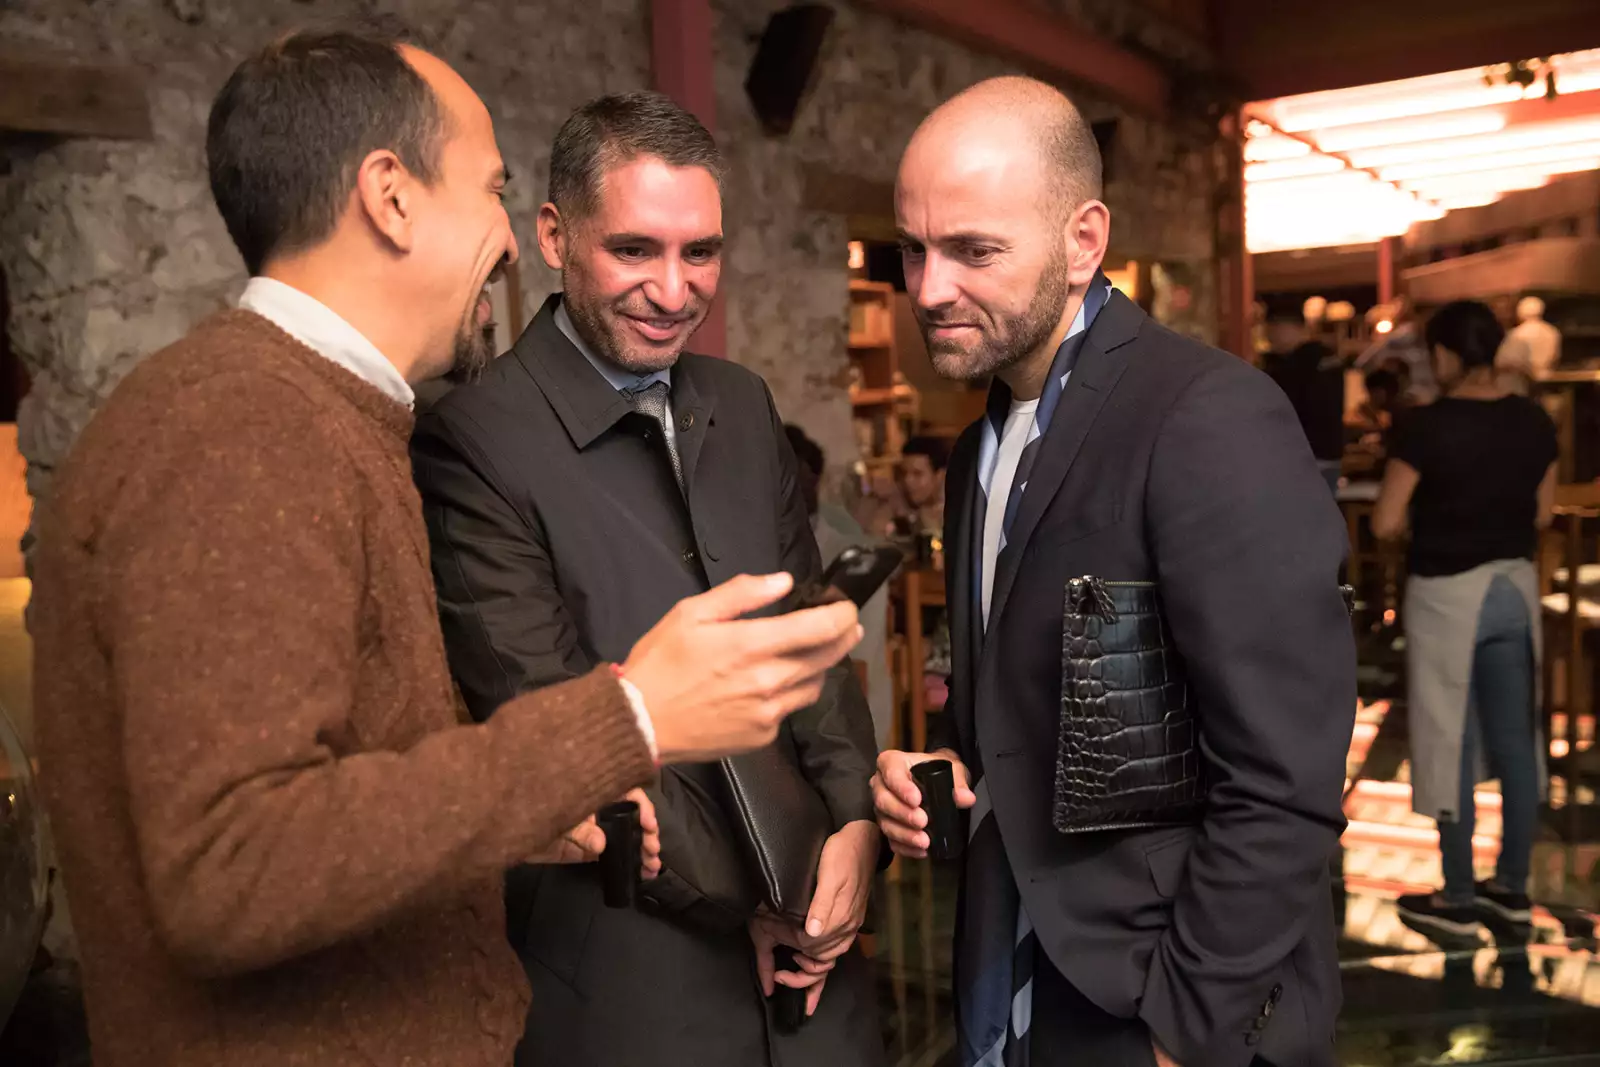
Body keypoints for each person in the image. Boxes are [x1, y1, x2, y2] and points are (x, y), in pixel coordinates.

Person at [30, 29, 862, 1067]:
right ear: (391, 197)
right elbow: (230, 863)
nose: (510, 242)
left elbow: (342, 780)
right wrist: (626, 719)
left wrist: (522, 811)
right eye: (489, 187)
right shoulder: (240, 428)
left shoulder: (309, 414)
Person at [870, 77, 1356, 1067]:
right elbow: (1026, 712)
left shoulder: (1207, 415)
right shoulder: (979, 445)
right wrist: (940, 778)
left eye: (973, 250)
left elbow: (1284, 774)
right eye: (912, 250)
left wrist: (1181, 1029)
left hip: (1159, 1003)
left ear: (1083, 240)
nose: (927, 288)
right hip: (1013, 983)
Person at [411, 92, 884, 1067]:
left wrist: (853, 823)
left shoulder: (743, 403)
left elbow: (812, 634)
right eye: (634, 249)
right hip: (636, 971)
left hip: (816, 965)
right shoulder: (473, 438)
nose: (673, 290)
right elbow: (557, 719)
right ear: (553, 233)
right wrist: (762, 897)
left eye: (699, 252)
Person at [1373, 300, 1558, 937]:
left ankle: (1455, 895)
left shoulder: (1427, 428)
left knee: (1446, 731)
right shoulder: (1535, 421)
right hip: (1514, 587)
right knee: (1516, 740)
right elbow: (1540, 514)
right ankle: (1510, 887)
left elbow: (1386, 519)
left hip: (1448, 592)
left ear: (1447, 354)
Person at [787, 423, 894, 747]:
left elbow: (860, 658)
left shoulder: (849, 547)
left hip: (847, 694)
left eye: (797, 473)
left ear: (814, 477)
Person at [1261, 306, 1346, 491]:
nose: (1268, 338)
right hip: (1329, 453)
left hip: (1301, 457)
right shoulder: (1328, 357)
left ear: (1285, 327)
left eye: (1270, 330)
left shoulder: (1294, 365)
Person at [1496, 295, 1561, 395]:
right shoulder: (1552, 332)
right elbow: (1555, 358)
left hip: (1520, 385)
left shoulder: (1518, 333)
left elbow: (1503, 362)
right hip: (1546, 381)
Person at [895, 435, 949, 536]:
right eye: (904, 473)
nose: (907, 481)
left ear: (940, 475)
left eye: (917, 474)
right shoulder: (899, 510)